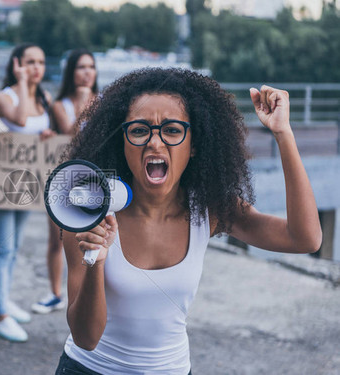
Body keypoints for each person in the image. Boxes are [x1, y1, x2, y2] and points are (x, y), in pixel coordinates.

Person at [55, 68, 322, 375]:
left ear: (194, 145)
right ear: (122, 142)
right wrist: (96, 262)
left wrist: (283, 133)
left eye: (172, 130)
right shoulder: (89, 214)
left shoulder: (209, 209)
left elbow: (305, 239)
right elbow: (85, 338)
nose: (155, 143)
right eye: (140, 130)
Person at [0, 43, 54, 342]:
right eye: (30, 62)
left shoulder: (45, 98)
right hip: (4, 182)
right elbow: (18, 120)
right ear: (17, 64)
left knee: (14, 247)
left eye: (40, 62)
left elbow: (39, 132)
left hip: (29, 182)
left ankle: (5, 300)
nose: (36, 67)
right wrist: (24, 83)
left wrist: (47, 137)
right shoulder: (6, 96)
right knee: (2, 248)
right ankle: (0, 314)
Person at [32, 49, 98, 315]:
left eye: (91, 67)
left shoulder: (105, 101)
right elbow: (73, 135)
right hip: (64, 177)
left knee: (94, 239)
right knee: (57, 238)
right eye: (81, 67)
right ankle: (55, 293)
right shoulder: (61, 105)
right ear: (72, 72)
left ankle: (91, 294)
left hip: (95, 177)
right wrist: (84, 106)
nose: (87, 72)